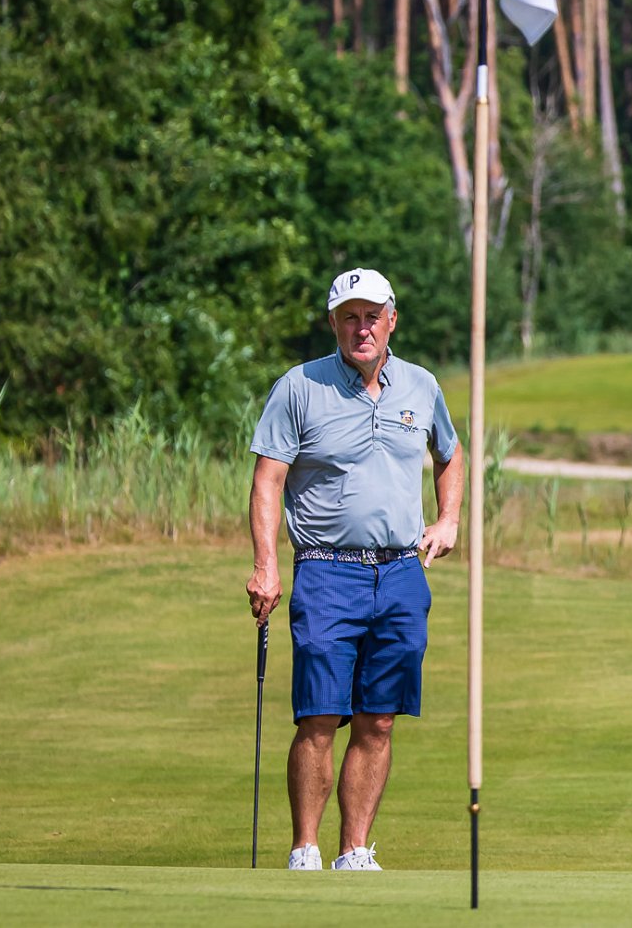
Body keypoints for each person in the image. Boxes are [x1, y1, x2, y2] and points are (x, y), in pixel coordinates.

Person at [246, 268, 463, 871]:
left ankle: (355, 851)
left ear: (392, 319)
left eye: (371, 315)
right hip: (325, 569)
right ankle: (305, 848)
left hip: (399, 574)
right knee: (318, 715)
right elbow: (268, 480)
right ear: (334, 322)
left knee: (379, 720)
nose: (360, 327)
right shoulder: (300, 386)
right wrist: (266, 564)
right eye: (349, 316)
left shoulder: (420, 387)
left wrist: (448, 521)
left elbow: (449, 453)